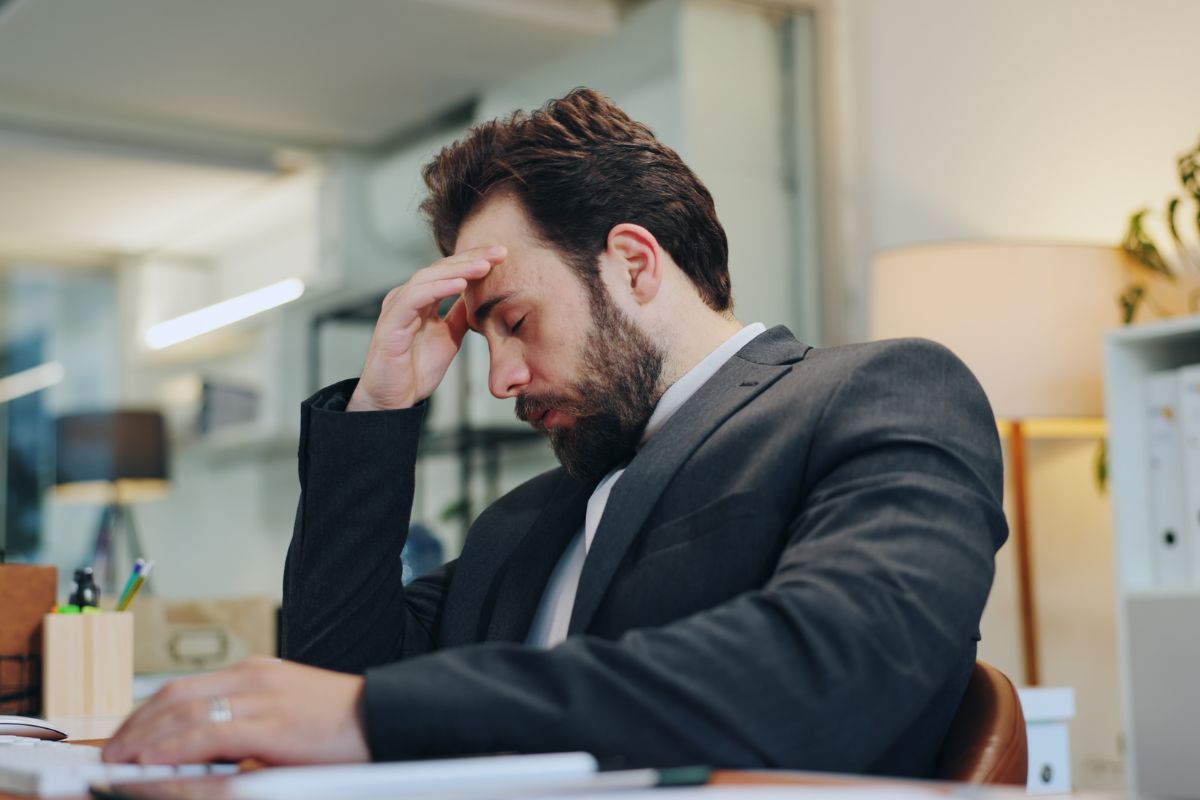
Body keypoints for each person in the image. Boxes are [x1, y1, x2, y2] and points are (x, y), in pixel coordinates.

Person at [103, 88, 1007, 775]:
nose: (496, 380)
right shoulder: (523, 522)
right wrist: (381, 413)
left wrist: (380, 718)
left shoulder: (879, 392)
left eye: (515, 320)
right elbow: (333, 677)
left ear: (634, 264)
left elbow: (830, 670)